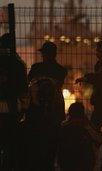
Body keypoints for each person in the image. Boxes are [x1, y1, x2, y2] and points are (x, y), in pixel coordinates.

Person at [75, 40, 102, 170]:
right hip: (100, 103)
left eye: (99, 50)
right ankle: (93, 160)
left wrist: (86, 78)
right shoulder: (99, 64)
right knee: (93, 133)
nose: (96, 53)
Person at [0, 33, 28, 171]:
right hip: (12, 109)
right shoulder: (18, 64)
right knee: (11, 145)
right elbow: (23, 90)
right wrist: (23, 110)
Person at [58, 102, 102, 171]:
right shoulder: (85, 128)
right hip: (84, 165)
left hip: (68, 164)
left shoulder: (64, 128)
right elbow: (99, 139)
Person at [28, 41, 67, 122]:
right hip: (54, 107)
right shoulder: (61, 70)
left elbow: (28, 83)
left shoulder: (36, 68)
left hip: (37, 106)